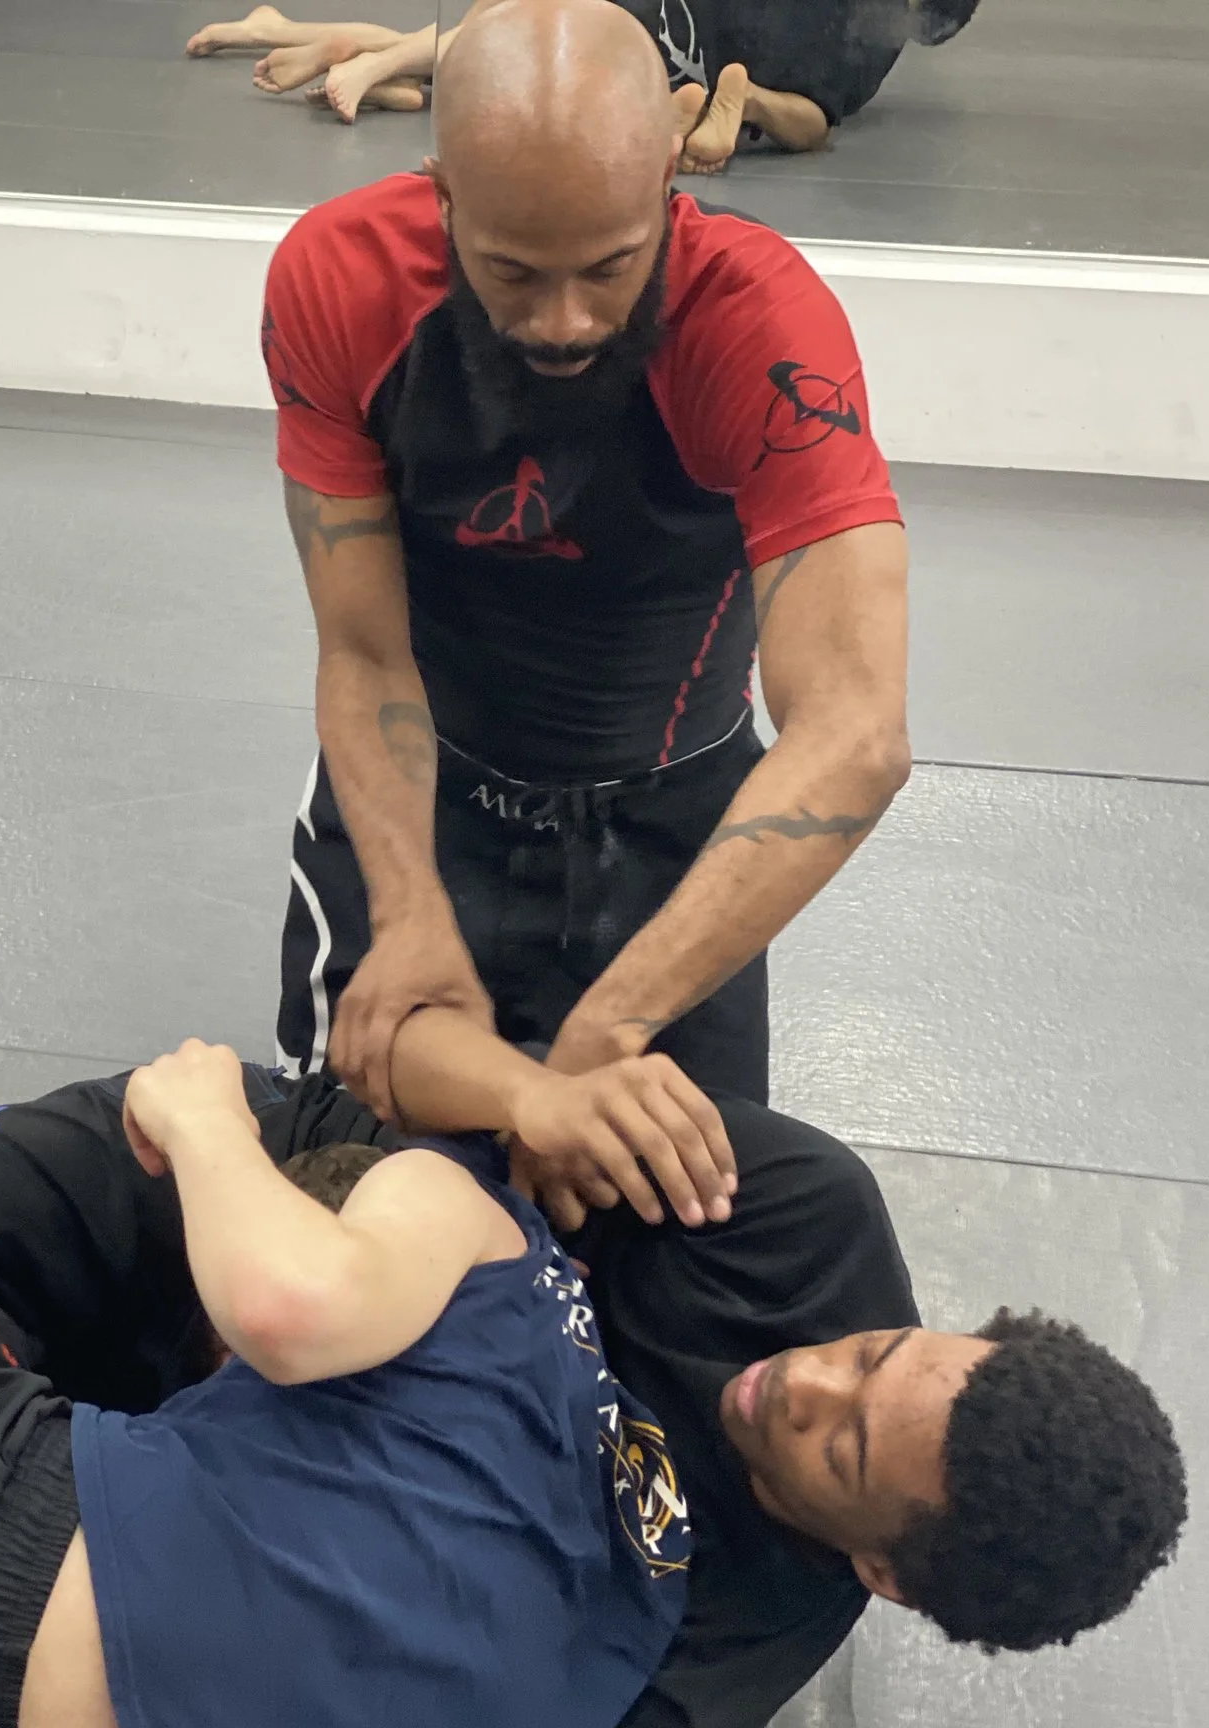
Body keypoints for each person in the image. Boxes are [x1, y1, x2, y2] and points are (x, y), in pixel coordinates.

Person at [0, 1011, 1188, 1728]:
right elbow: (397, 1066)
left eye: (840, 1440)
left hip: (191, 1462)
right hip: (243, 1188)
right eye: (883, 1351)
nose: (809, 1378)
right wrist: (528, 1103)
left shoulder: (703, 1658)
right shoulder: (793, 1223)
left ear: (881, 1572)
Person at [252, 0, 917, 1119]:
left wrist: (613, 1022)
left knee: (675, 1243)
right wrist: (409, 913)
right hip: (422, 804)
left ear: (673, 170)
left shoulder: (758, 326)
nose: (562, 321)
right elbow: (361, 655)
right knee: (338, 1210)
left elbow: (855, 734)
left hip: (672, 836)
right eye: (511, 272)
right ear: (442, 187)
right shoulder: (344, 279)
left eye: (609, 266)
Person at [187, 0, 981, 156]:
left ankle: (283, 31)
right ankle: (379, 67)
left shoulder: (870, 40)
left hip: (670, 65)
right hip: (653, 18)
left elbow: (816, 122)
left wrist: (742, 95)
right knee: (512, 32)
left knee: (493, 48)